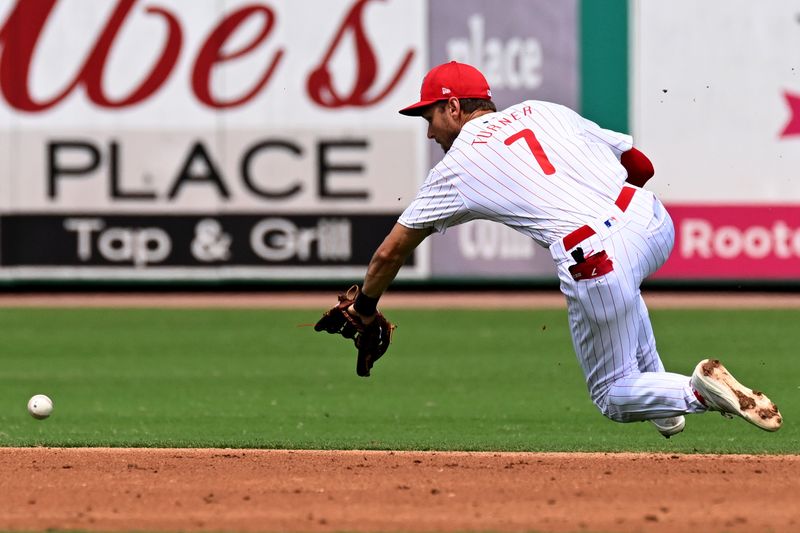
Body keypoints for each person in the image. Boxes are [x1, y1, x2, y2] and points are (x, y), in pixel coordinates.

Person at [333, 61, 782, 437]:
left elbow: (388, 255)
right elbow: (639, 164)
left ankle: (697, 392)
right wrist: (620, 220)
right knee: (626, 289)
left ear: (453, 106)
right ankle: (665, 406)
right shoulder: (542, 109)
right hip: (650, 218)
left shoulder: (458, 165)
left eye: (429, 117)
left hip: (592, 254)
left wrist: (367, 308)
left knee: (611, 395)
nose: (430, 133)